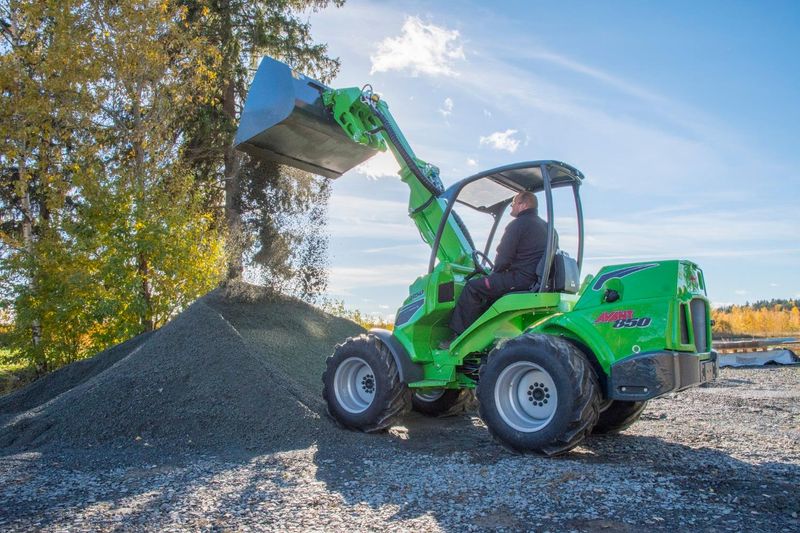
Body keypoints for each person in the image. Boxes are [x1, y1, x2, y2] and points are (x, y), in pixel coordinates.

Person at [448, 191, 556, 337]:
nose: (512, 207)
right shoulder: (550, 229)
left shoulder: (518, 224)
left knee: (473, 287)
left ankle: (458, 337)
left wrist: (494, 273)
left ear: (523, 205)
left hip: (519, 280)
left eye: (513, 203)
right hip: (536, 281)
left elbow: (503, 258)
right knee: (489, 288)